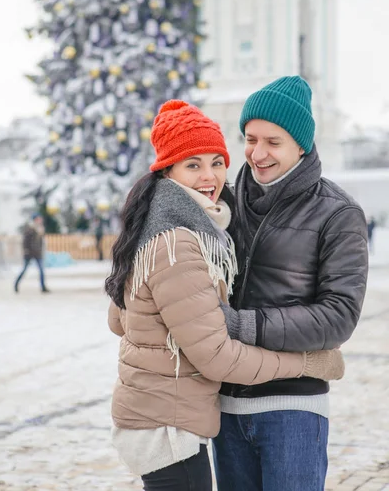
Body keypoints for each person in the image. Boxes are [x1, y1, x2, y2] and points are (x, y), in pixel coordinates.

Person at [105, 99, 344, 491]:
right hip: (168, 430)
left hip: (155, 420)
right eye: (193, 164)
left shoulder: (155, 223)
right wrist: (306, 363)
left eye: (217, 162)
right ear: (168, 169)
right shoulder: (179, 242)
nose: (210, 177)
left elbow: (120, 320)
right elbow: (217, 357)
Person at [214, 76, 369, 491]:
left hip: (293, 409)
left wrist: (247, 325)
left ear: (301, 145)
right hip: (224, 411)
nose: (257, 153)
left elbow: (339, 316)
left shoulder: (337, 214)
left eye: (273, 142)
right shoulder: (221, 206)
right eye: (250, 138)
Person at [14, 214, 50, 293]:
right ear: (35, 220)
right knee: (24, 269)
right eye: (39, 219)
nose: (40, 220)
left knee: (41, 270)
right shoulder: (30, 229)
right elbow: (25, 241)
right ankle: (16, 284)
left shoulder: (40, 229)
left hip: (37, 253)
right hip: (29, 253)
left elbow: (40, 242)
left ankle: (43, 287)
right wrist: (26, 250)